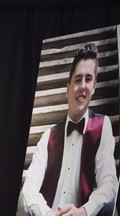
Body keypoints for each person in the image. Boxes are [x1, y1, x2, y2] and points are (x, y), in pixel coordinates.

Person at [20, 43, 118, 216]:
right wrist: (48, 214)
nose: (82, 86)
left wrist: (83, 211)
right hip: (49, 213)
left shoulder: (103, 126)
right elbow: (29, 187)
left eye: (88, 79)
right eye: (78, 79)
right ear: (67, 89)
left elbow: (109, 183)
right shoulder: (48, 136)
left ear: (94, 87)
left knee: (109, 208)